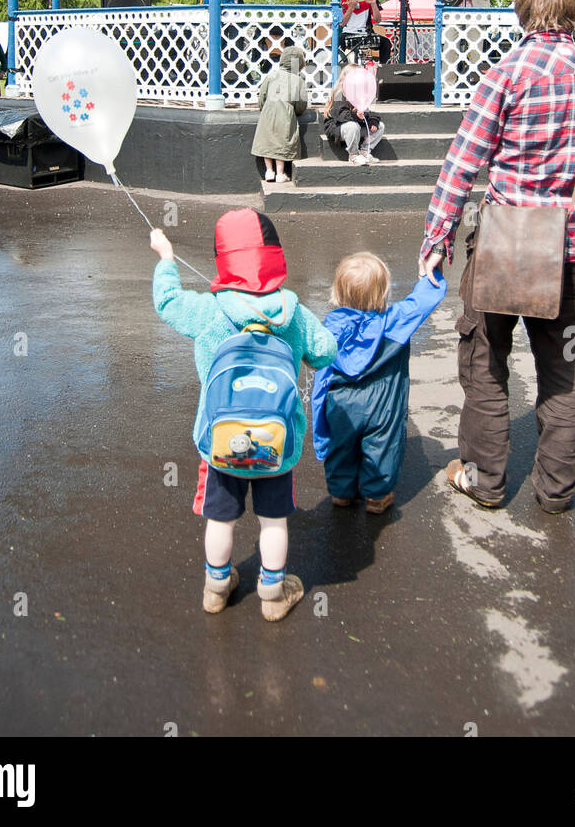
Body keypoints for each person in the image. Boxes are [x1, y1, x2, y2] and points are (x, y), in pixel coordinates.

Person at [419, 0, 575, 515]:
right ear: (574, 10)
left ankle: (485, 479)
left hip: (504, 248)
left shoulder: (506, 74)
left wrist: (436, 240)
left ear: (522, 8)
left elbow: (461, 165)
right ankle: (556, 491)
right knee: (565, 369)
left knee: (485, 361)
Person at [150, 208, 336, 621]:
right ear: (275, 255)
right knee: (273, 520)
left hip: (220, 442)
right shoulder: (294, 313)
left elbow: (166, 302)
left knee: (220, 518)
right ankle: (272, 594)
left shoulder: (208, 310)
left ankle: (216, 588)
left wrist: (166, 258)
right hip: (276, 445)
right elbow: (326, 353)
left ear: (223, 258)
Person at [312, 253, 446, 514]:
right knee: (382, 447)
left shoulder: (330, 329)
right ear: (383, 292)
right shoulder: (396, 320)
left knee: (340, 447)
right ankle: (377, 496)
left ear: (338, 292)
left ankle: (341, 493)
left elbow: (321, 377)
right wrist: (428, 272)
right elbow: (425, 299)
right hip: (383, 404)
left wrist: (319, 421)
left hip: (340, 403)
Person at [251, 46, 308, 183]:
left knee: (268, 140)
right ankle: (280, 173)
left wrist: (264, 108)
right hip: (286, 112)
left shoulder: (272, 75)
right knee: (282, 141)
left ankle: (269, 171)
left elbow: (262, 96)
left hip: (268, 111)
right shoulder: (298, 80)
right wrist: (296, 111)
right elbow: (301, 104)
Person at [323, 67, 385, 166]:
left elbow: (369, 113)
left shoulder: (358, 93)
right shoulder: (339, 94)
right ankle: (353, 155)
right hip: (338, 127)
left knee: (380, 126)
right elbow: (342, 116)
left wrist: (372, 121)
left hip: (356, 125)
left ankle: (365, 150)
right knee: (352, 126)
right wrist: (356, 116)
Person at [339, 0, 392, 64]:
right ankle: (340, 71)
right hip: (348, 32)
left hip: (366, 33)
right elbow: (342, 23)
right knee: (338, 42)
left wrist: (373, 4)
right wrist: (350, 8)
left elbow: (378, 20)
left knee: (386, 42)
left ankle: (383, 72)